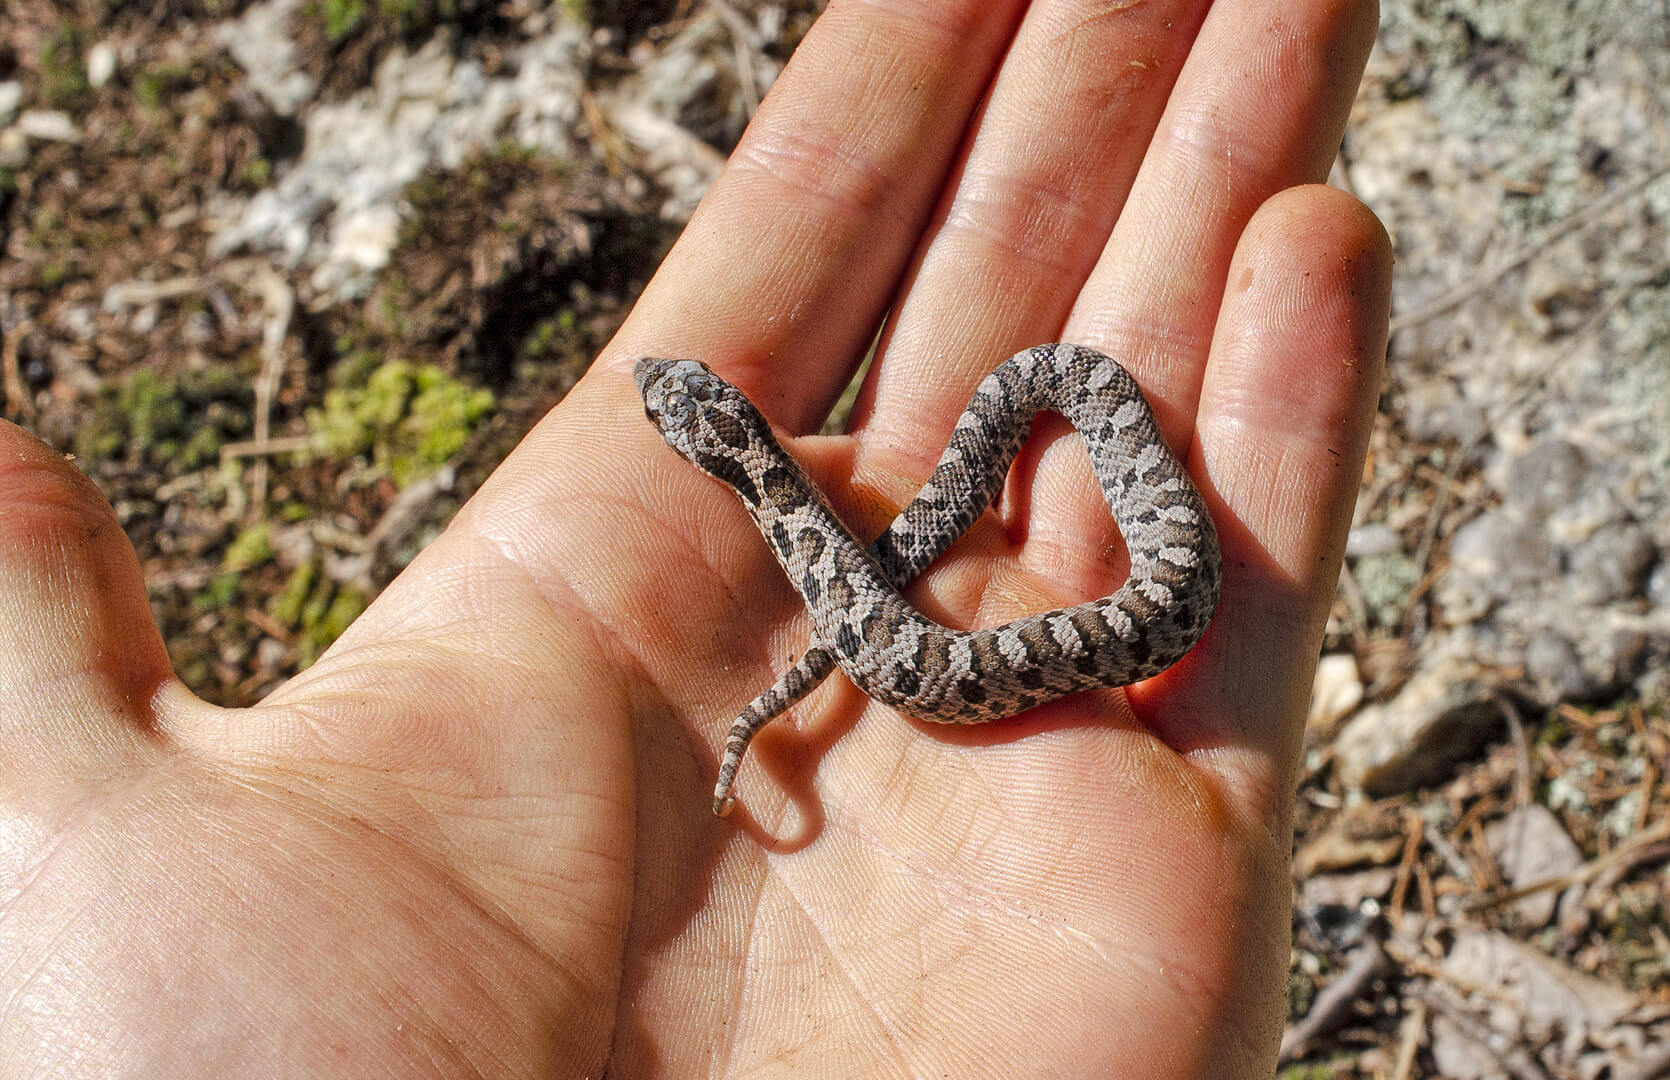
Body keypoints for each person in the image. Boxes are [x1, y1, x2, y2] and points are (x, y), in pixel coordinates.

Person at [0, 0, 1389, 1073]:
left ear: (710, 436)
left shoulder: (798, 507)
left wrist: (859, 622)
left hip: (1025, 512)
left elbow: (936, 535)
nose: (682, 397)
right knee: (954, 530)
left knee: (1052, 409)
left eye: (688, 404)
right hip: (967, 571)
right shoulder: (791, 500)